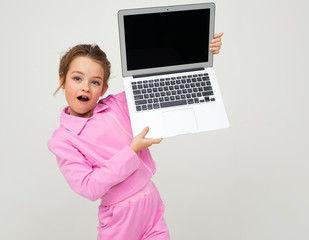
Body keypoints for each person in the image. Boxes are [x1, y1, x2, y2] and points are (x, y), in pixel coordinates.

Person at [48, 33, 223, 240]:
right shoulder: (63, 140)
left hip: (151, 202)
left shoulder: (115, 105)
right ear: (62, 80)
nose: (85, 87)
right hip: (121, 218)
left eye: (95, 82)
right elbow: (89, 187)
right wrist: (131, 151)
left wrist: (198, 50)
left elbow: (156, 76)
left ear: (103, 89)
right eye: (77, 78)